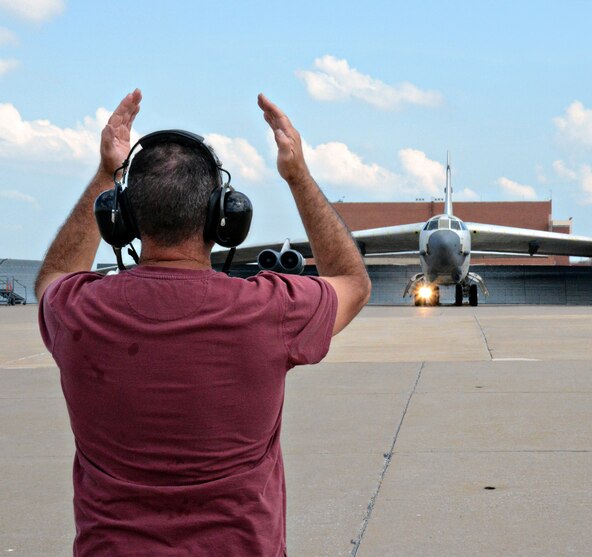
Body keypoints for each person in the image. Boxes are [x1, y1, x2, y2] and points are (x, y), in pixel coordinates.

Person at [35, 89, 371, 556]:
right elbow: (352, 282)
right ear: (224, 219)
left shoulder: (77, 310)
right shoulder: (270, 308)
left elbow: (52, 278)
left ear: (122, 219)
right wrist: (299, 177)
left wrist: (102, 176)